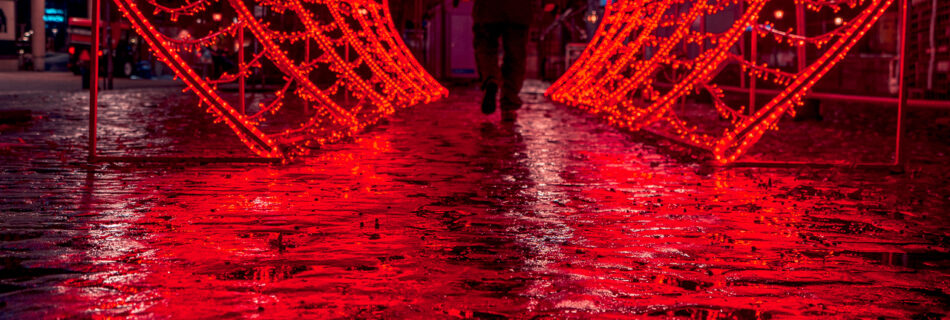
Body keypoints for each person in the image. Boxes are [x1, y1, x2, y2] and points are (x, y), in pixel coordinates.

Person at [471, 0, 533, 120]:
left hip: (487, 9)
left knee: (486, 49)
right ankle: (509, 103)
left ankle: (490, 79)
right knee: (515, 56)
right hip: (518, 9)